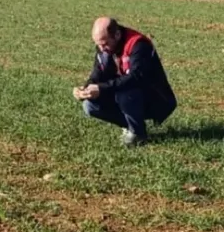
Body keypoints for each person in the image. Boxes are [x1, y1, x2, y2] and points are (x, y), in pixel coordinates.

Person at [73, 17, 177, 147]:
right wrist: (85, 89)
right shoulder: (104, 46)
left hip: (157, 99)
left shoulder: (138, 45)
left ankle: (138, 134)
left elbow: (136, 78)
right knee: (89, 106)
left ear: (116, 35)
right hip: (127, 94)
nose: (101, 48)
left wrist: (101, 88)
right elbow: (98, 73)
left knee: (124, 93)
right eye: (98, 44)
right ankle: (131, 126)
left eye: (104, 43)